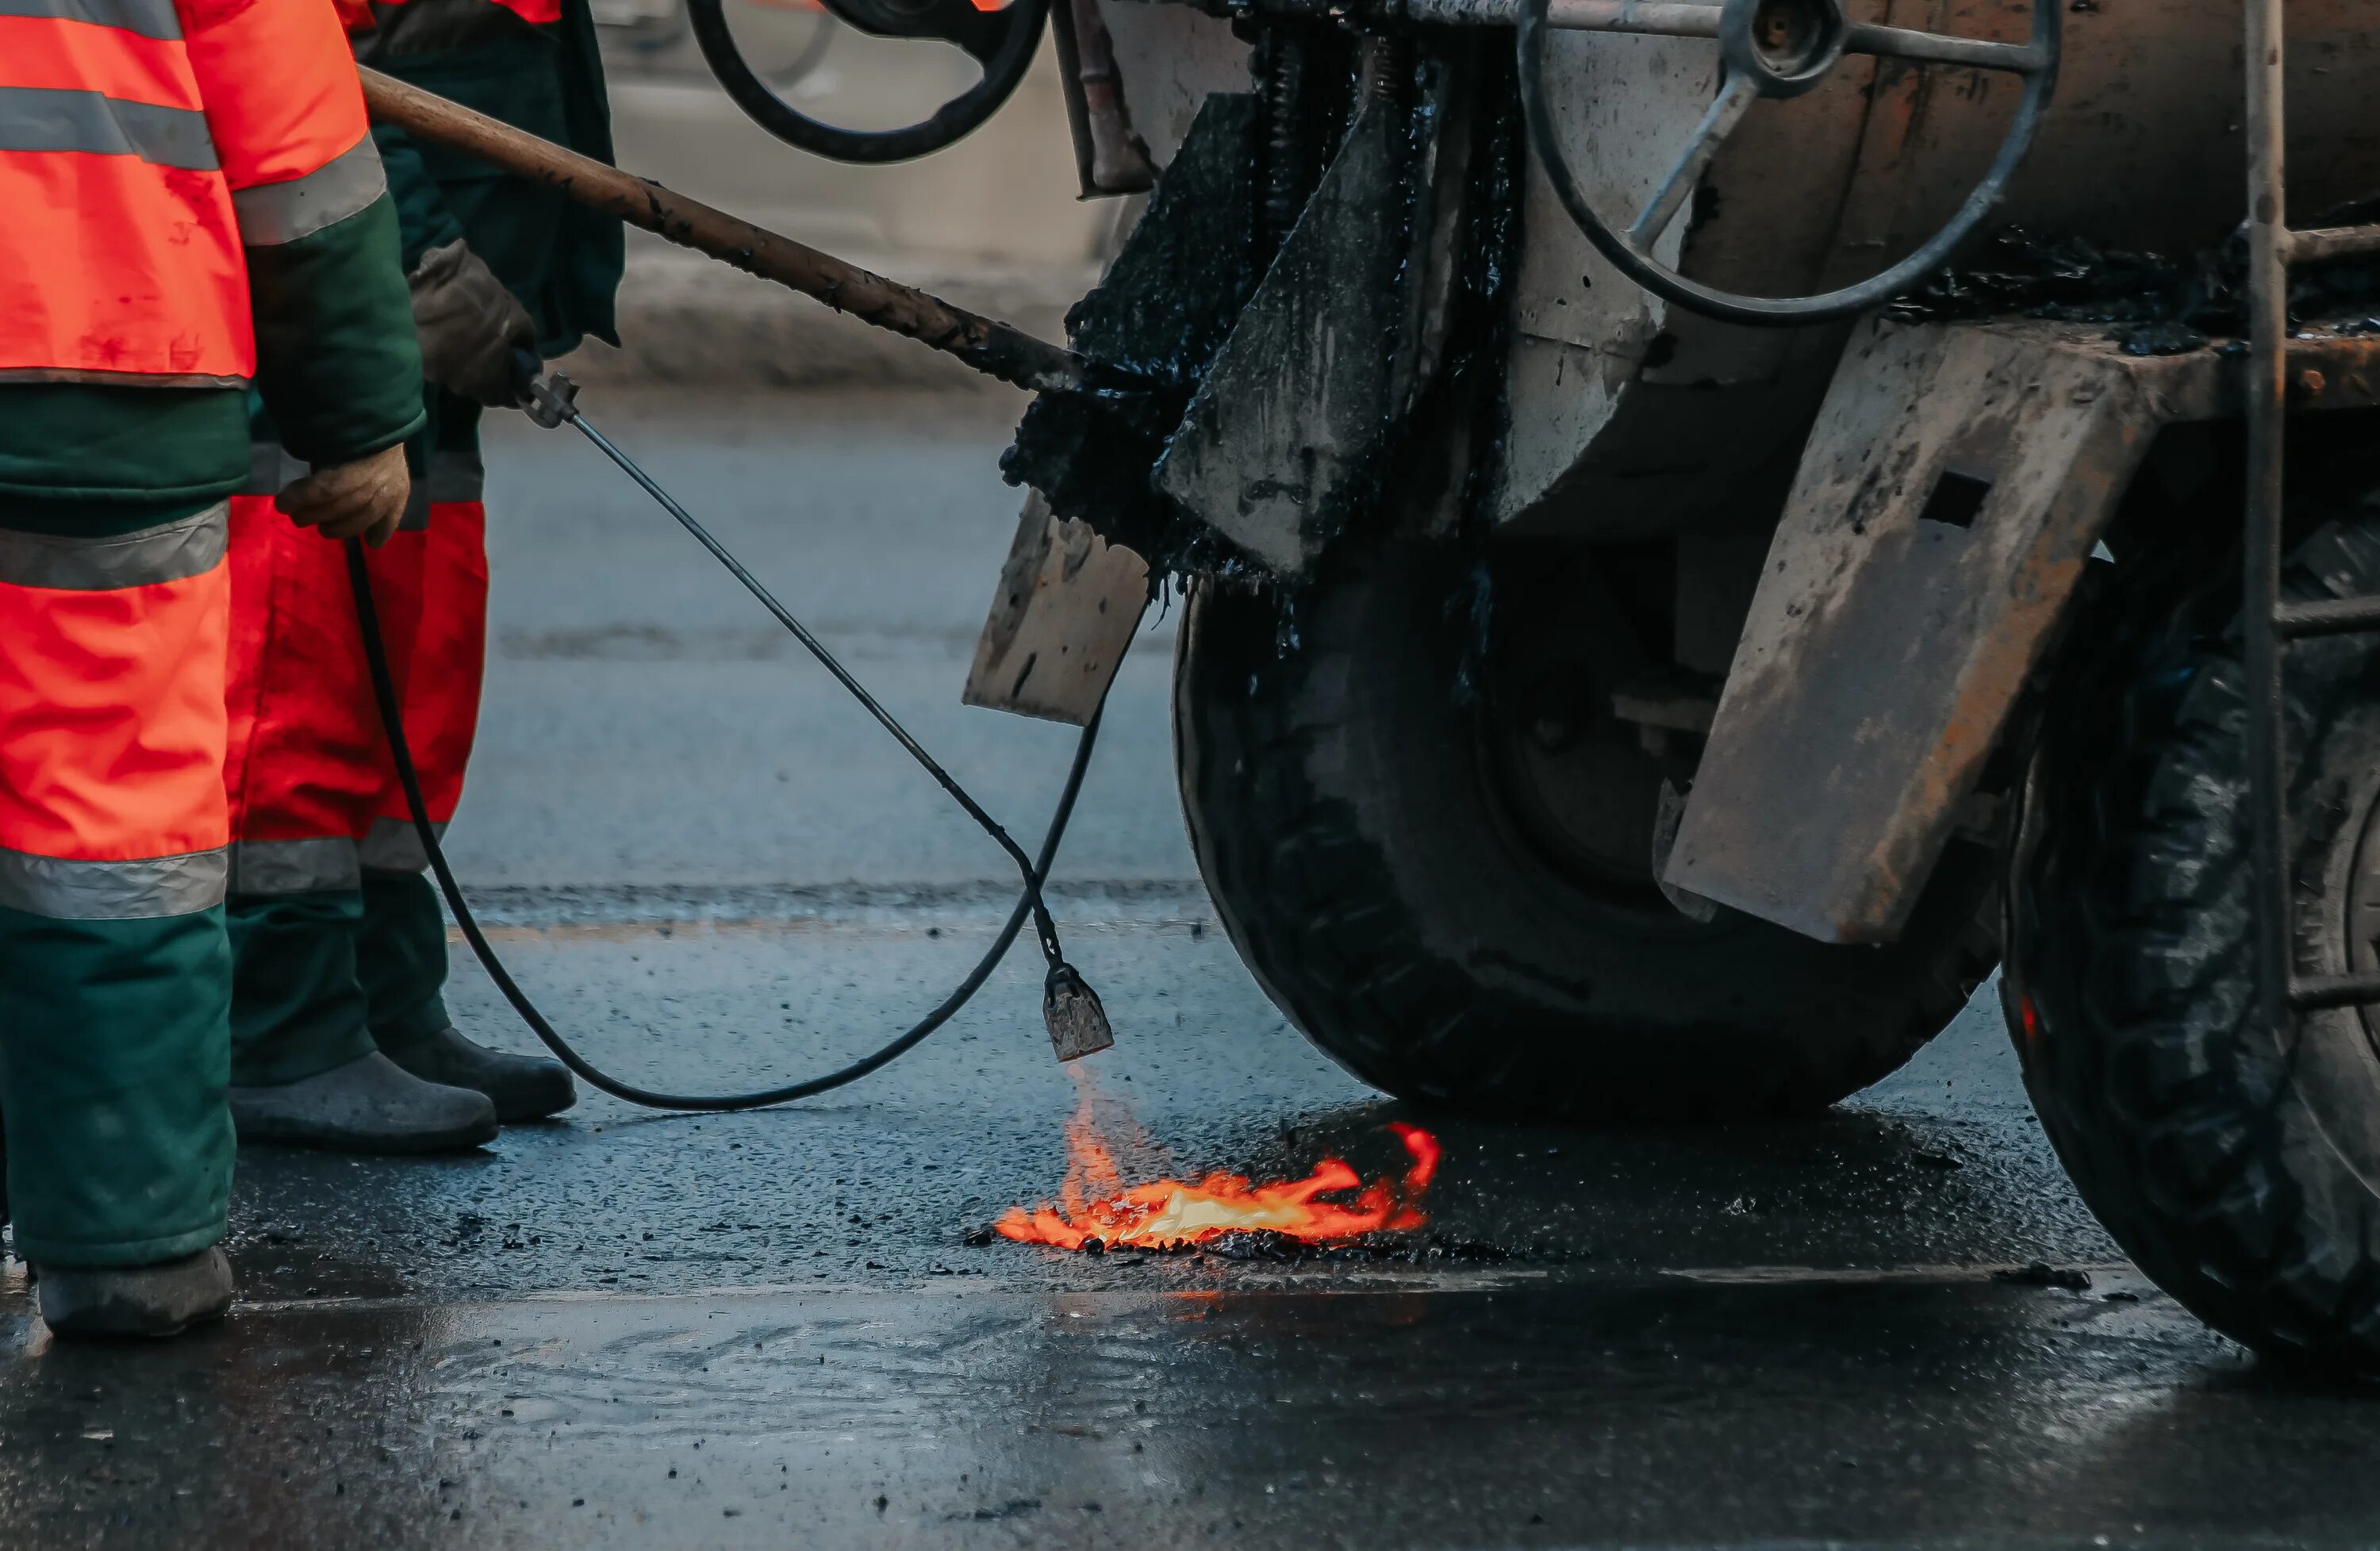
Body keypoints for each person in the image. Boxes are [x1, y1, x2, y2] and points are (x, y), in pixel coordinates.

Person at [0, 0, 424, 1335]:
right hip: (109, 375)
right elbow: (299, 151)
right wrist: (355, 416)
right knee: (108, 845)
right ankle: (129, 1246)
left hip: (115, 378)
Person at [221, 0, 624, 1152]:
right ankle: (281, 1030)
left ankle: (386, 999)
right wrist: (417, 259)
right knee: (307, 658)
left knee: (415, 671)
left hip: (450, 299)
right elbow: (300, 69)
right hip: (349, 296)